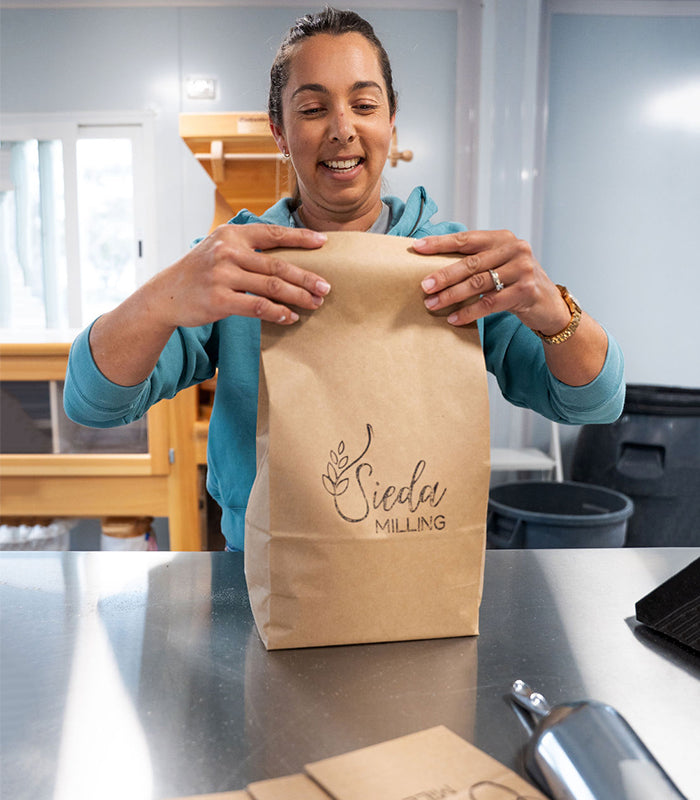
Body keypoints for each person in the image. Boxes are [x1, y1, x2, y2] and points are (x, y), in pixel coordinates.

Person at [64, 7, 624, 551]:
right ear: (279, 132)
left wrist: (554, 309)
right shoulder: (239, 265)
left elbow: (594, 403)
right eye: (311, 109)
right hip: (267, 579)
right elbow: (95, 404)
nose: (341, 129)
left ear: (390, 119)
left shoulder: (454, 264)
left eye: (363, 104)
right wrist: (160, 300)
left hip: (421, 566)